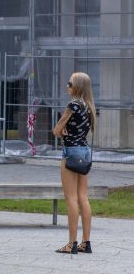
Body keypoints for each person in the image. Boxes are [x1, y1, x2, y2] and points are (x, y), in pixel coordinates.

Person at [53, 72, 96, 254]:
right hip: (85, 152)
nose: (67, 86)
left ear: (77, 86)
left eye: (69, 83)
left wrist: (61, 131)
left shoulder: (72, 105)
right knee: (83, 197)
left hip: (71, 152)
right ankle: (86, 243)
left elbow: (56, 130)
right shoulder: (89, 107)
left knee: (70, 198)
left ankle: (72, 243)